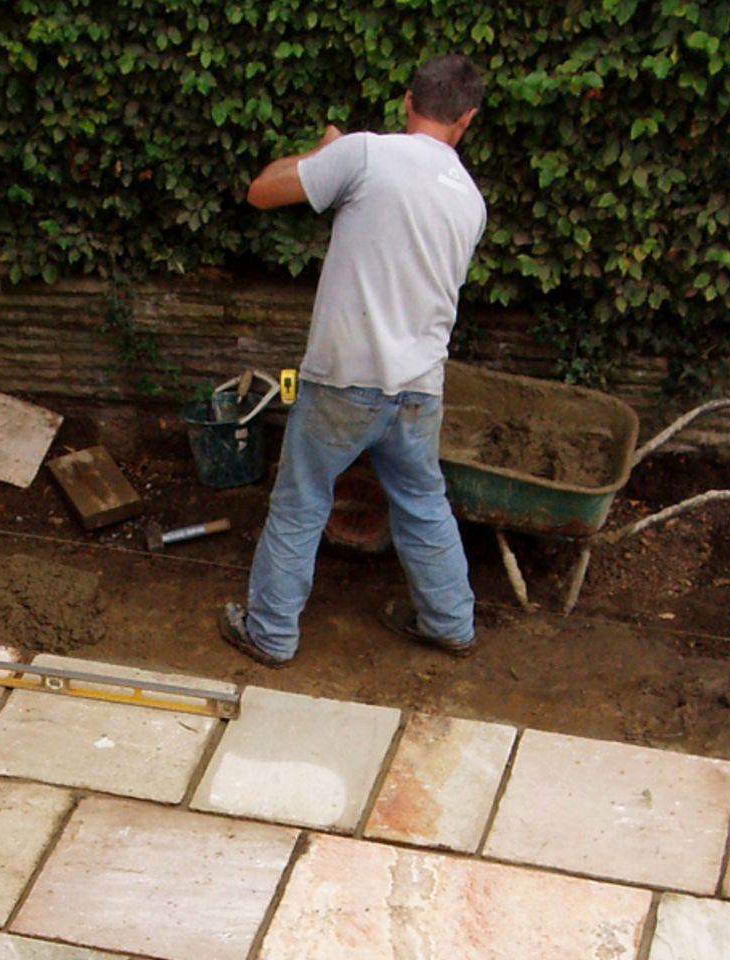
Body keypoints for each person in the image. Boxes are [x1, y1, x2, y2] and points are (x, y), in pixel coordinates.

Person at [218, 55, 487, 667]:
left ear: (405, 101)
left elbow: (262, 192)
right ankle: (450, 623)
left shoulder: (365, 154)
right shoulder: (470, 201)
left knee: (302, 499)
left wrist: (323, 154)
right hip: (419, 387)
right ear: (467, 119)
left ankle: (271, 634)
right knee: (422, 501)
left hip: (345, 379)